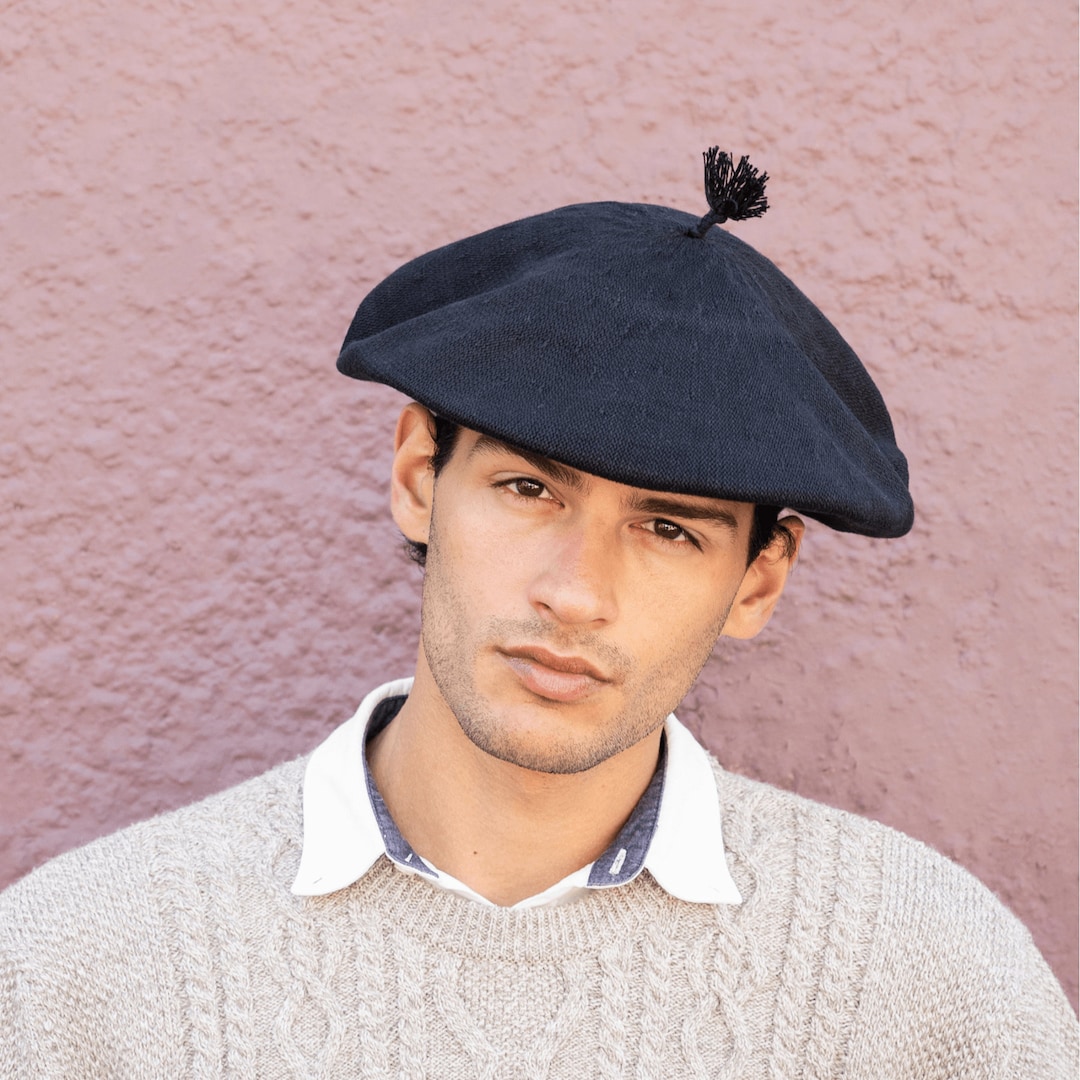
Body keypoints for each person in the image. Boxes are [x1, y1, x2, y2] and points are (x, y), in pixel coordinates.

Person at [1, 152, 1076, 1078]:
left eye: (670, 530)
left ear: (758, 579)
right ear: (422, 475)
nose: (575, 591)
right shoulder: (83, 970)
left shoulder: (927, 980)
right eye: (529, 491)